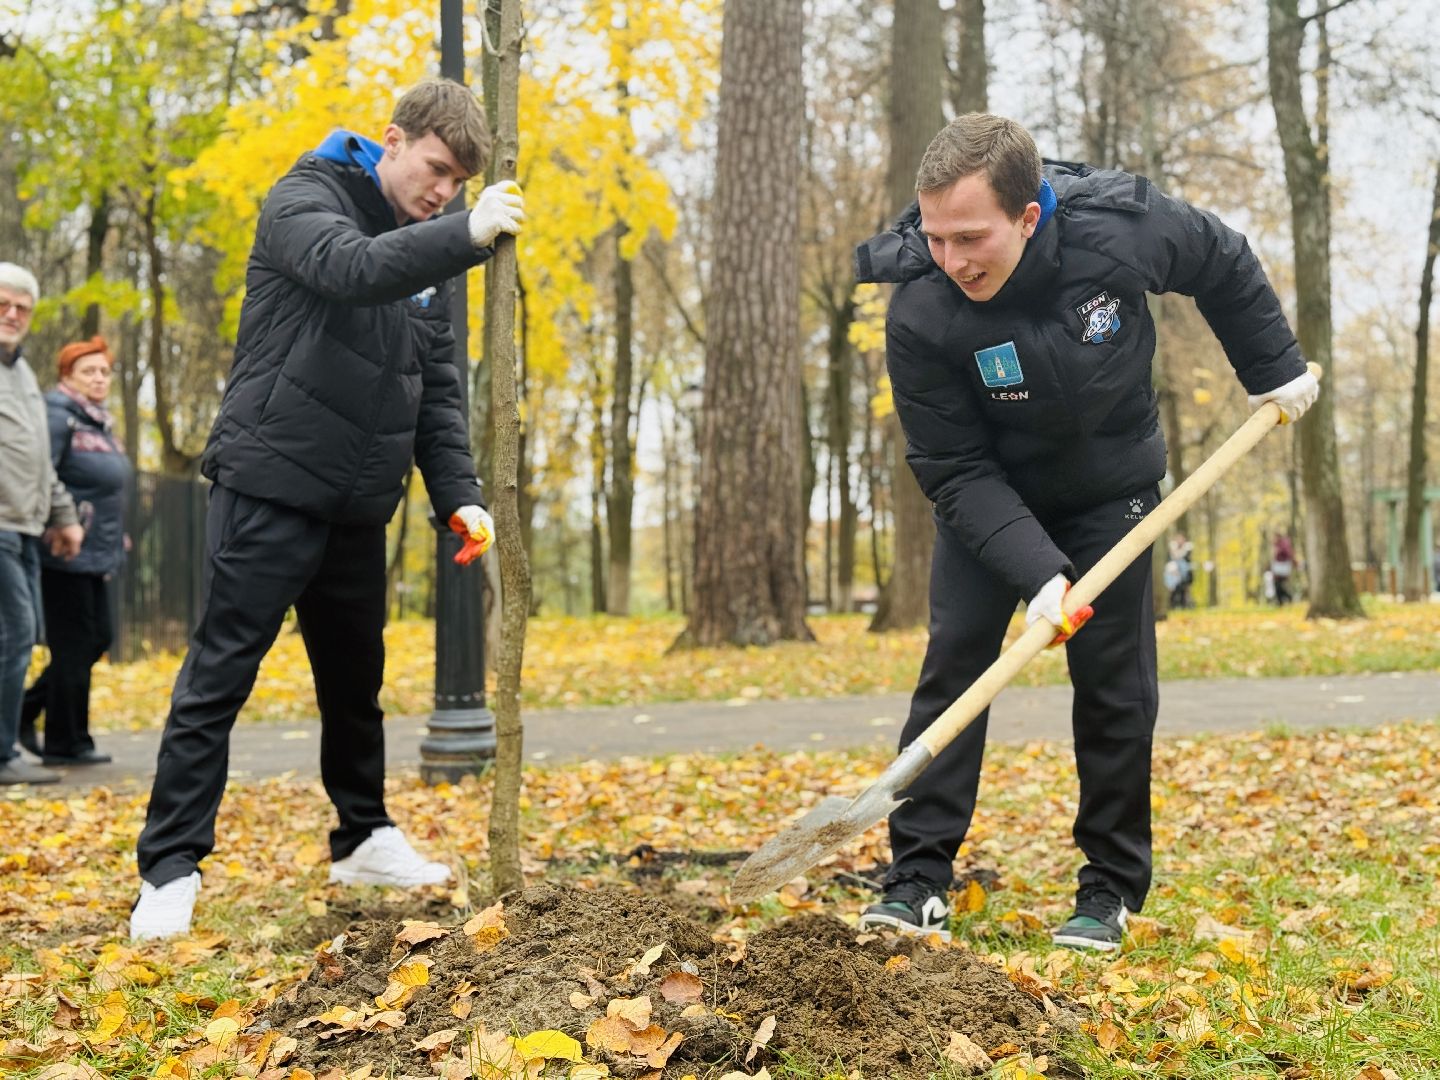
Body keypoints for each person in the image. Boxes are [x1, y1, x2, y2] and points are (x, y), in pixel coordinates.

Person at [852, 114, 1318, 951]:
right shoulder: (921, 307)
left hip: (1114, 495)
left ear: (1030, 216)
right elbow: (952, 467)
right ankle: (918, 876)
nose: (953, 259)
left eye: (971, 236)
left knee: (1113, 686)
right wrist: (1038, 573)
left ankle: (1108, 888)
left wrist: (1274, 370)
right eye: (935, 236)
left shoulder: (1121, 231)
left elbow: (1222, 259)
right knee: (957, 667)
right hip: (991, 502)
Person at [129, 79, 526, 940]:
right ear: (392, 139)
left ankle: (363, 835)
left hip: (358, 506)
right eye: (436, 169)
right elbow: (350, 272)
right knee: (219, 676)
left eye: (459, 184)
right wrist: (460, 235)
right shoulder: (305, 199)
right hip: (269, 486)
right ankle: (168, 869)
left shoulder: (428, 253)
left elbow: (438, 398)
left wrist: (460, 499)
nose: (443, 192)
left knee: (356, 687)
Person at [19, 337, 133, 766]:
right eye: (89, 371)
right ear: (67, 375)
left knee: (96, 637)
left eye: (104, 371)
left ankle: (27, 712)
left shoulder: (96, 421)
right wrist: (62, 522)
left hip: (97, 550)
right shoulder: (58, 416)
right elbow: (42, 471)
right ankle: (67, 742)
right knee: (73, 643)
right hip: (63, 547)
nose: (99, 378)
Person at [0, 263, 85, 786]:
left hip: (26, 524)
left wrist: (64, 516)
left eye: (21, 308)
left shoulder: (23, 374)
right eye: (3, 305)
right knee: (16, 632)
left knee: (21, 634)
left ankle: (6, 741)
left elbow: (36, 458)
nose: (12, 315)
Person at [1271, 532, 1295, 605]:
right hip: (1279, 565)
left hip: (1283, 566)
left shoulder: (1284, 544)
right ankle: (1281, 600)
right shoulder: (1276, 545)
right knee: (1277, 584)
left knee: (1279, 584)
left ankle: (1287, 597)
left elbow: (1289, 554)